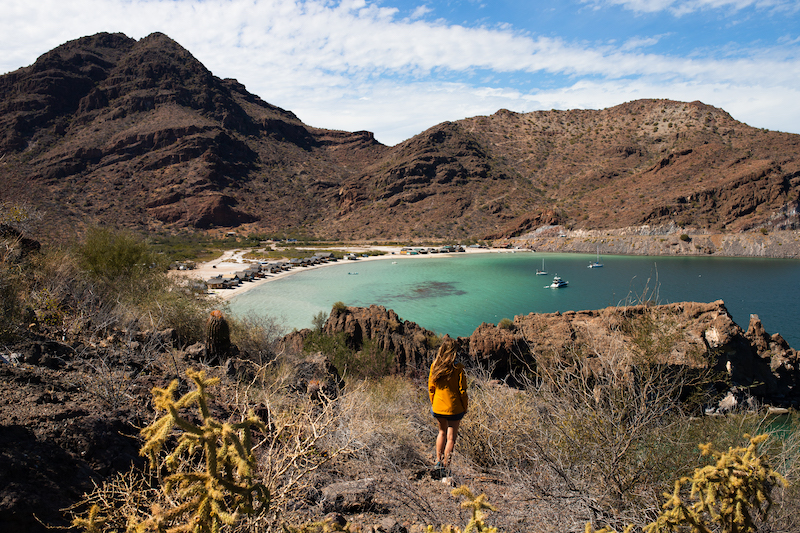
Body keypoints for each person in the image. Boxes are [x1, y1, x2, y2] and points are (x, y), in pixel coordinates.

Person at [428, 337, 468, 472]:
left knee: (441, 432)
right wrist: (465, 407)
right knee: (451, 438)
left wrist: (434, 402)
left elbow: (431, 388)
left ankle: (438, 462)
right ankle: (446, 467)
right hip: (454, 408)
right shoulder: (458, 368)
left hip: (438, 406)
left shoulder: (435, 366)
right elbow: (462, 391)